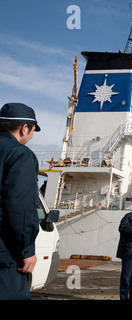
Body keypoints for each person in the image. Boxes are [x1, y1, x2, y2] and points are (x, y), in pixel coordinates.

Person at [0, 103, 41, 300]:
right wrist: (27, 249)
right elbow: (20, 208)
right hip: (5, 256)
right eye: (33, 130)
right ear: (24, 128)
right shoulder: (20, 155)